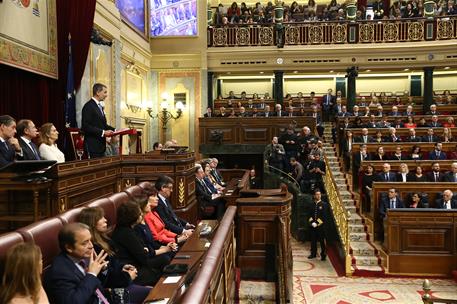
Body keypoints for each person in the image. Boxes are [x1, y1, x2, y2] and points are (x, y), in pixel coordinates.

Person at [78, 207, 150, 303]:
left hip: (122, 279)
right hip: (114, 288)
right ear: (92, 223)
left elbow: (113, 263)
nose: (105, 220)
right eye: (101, 218)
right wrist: (127, 277)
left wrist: (123, 266)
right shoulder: (93, 248)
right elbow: (105, 278)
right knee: (151, 292)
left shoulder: (105, 239)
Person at [44, 223, 110, 304]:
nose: (91, 246)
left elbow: (99, 284)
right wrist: (92, 274)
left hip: (103, 299)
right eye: (84, 243)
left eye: (90, 240)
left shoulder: (84, 256)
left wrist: (103, 268)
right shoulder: (60, 272)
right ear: (69, 248)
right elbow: (73, 302)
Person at [111, 202, 169, 286]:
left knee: (165, 258)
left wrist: (146, 250)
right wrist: (146, 251)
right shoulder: (126, 233)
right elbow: (143, 258)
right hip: (133, 269)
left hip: (139, 263)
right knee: (164, 260)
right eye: (139, 213)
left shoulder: (130, 228)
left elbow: (144, 247)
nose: (141, 214)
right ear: (132, 217)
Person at [81, 83, 115, 158]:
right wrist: (103, 132)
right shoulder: (88, 106)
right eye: (105, 92)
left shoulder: (99, 106)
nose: (106, 95)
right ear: (97, 92)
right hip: (92, 147)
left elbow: (104, 125)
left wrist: (116, 130)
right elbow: (85, 126)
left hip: (100, 147)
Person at [307, 190, 328, 261]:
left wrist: (317, 223)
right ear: (314, 196)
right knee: (313, 241)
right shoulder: (311, 204)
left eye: (319, 194)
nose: (318, 196)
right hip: (313, 226)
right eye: (317, 194)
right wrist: (312, 222)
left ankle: (323, 255)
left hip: (321, 227)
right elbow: (309, 215)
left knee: (322, 241)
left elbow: (324, 217)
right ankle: (313, 254)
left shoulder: (324, 204)